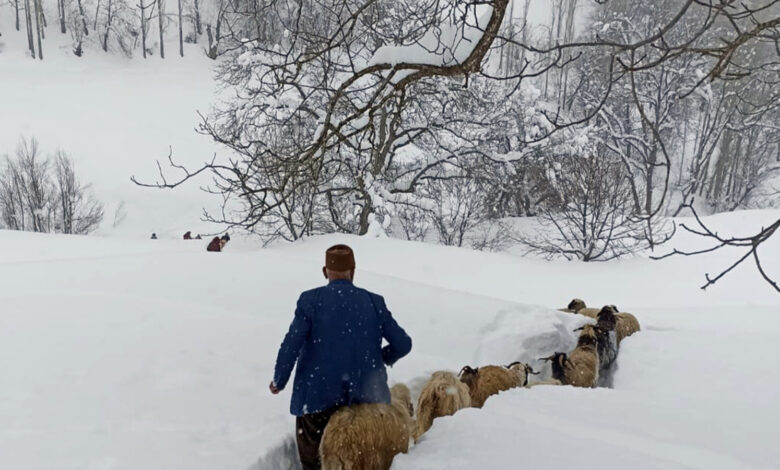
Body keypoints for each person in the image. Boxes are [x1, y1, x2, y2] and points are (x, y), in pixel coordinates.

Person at [270, 244, 412, 470]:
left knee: (315, 465)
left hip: (317, 403)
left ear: (325, 271)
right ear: (353, 270)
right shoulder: (374, 302)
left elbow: (291, 343)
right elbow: (403, 344)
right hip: (368, 403)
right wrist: (382, 357)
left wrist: (279, 380)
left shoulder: (310, 301)